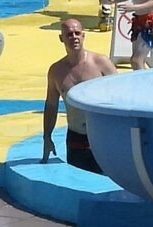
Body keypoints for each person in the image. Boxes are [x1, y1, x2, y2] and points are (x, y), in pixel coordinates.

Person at [40, 15, 117, 170]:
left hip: (102, 136)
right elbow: (51, 105)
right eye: (69, 34)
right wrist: (47, 137)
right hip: (75, 138)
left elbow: (121, 96)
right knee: (77, 178)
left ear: (83, 36)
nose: (74, 37)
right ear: (61, 38)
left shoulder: (101, 63)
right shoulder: (56, 71)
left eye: (77, 33)